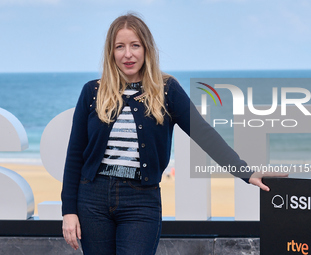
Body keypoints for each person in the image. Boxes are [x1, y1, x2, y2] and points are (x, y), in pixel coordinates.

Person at [61, 13, 274, 255]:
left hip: (140, 201)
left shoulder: (167, 90)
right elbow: (75, 154)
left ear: (147, 49)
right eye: (119, 47)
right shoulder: (92, 91)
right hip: (92, 200)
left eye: (135, 45)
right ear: (111, 52)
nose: (127, 54)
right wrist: (69, 210)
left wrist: (245, 171)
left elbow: (204, 134)